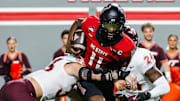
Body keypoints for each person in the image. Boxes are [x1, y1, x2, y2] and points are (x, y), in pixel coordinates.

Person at [67, 3, 137, 101]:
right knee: (97, 99)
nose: (111, 30)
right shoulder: (91, 23)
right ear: (101, 22)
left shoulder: (127, 46)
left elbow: (121, 67)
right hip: (85, 74)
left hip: (105, 78)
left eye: (114, 26)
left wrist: (117, 79)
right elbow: (78, 22)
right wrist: (69, 43)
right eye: (108, 25)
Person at [0, 53, 131, 101]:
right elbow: (92, 75)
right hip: (22, 90)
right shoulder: (74, 66)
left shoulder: (70, 77)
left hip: (12, 88)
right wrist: (115, 76)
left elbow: (78, 96)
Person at [162, 34, 180, 101]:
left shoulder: (179, 54)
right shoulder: (163, 54)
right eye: (170, 40)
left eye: (174, 40)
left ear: (177, 42)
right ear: (168, 42)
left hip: (178, 82)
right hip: (167, 82)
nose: (172, 42)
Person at [53, 30, 69, 101]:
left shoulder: (75, 52)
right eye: (65, 38)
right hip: (60, 82)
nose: (67, 40)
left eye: (69, 38)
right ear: (62, 40)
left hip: (72, 81)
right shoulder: (57, 54)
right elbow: (54, 69)